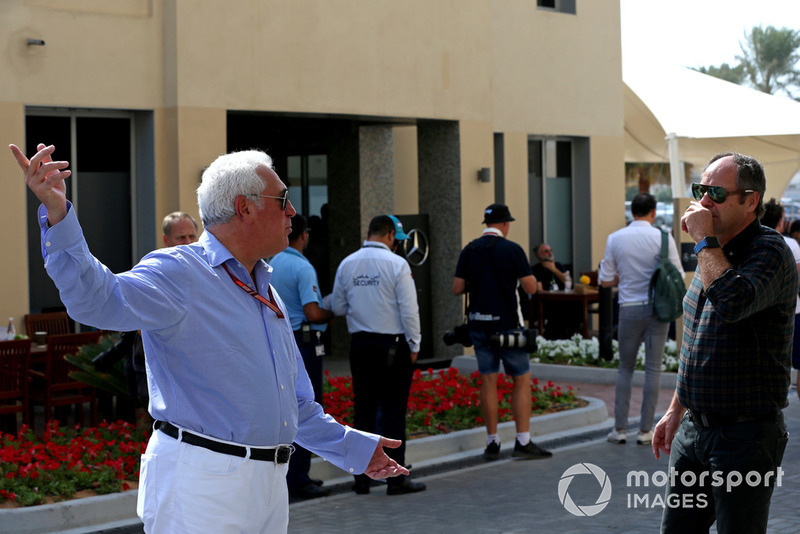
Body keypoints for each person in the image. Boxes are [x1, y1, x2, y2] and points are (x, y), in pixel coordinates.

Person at [10, 143, 408, 533]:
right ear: (245, 207)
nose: (292, 212)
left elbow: (295, 407)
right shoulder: (178, 271)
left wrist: (354, 448)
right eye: (283, 199)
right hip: (201, 484)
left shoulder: (264, 288)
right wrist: (58, 213)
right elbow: (97, 301)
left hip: (268, 485)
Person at [652, 153, 794, 533]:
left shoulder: (769, 250)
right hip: (695, 430)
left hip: (744, 436)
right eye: (701, 190)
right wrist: (674, 409)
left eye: (716, 192)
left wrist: (701, 239)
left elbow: (733, 303)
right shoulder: (710, 252)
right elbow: (696, 337)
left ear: (751, 201)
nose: (705, 201)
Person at [329, 214, 426, 496]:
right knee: (393, 413)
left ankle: (361, 479)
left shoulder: (347, 263)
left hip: (360, 345)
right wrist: (415, 345)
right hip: (393, 347)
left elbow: (337, 306)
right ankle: (395, 479)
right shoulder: (397, 264)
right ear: (390, 236)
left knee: (364, 412)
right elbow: (409, 311)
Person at [452, 203, 552, 461]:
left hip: (478, 324)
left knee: (488, 381)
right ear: (505, 224)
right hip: (508, 326)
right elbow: (530, 288)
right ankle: (523, 440)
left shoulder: (470, 249)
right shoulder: (512, 250)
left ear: (487, 224)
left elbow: (457, 287)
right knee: (520, 380)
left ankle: (492, 442)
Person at [599, 193, 684, 446]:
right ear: (653, 212)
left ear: (632, 212)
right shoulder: (663, 237)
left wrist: (623, 277)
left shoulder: (615, 238)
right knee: (653, 368)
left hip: (628, 308)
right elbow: (678, 274)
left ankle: (620, 429)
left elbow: (605, 280)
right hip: (658, 310)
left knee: (625, 368)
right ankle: (646, 430)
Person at [269, 214, 334, 499]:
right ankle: (300, 478)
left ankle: (290, 476)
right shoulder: (302, 267)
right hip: (304, 343)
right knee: (307, 407)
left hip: (279, 340)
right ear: (304, 235)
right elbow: (313, 313)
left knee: (285, 409)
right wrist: (334, 311)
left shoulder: (270, 263)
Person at [759, 198, 800, 401]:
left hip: (760, 313)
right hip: (794, 312)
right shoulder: (790, 244)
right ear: (781, 220)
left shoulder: (752, 242)